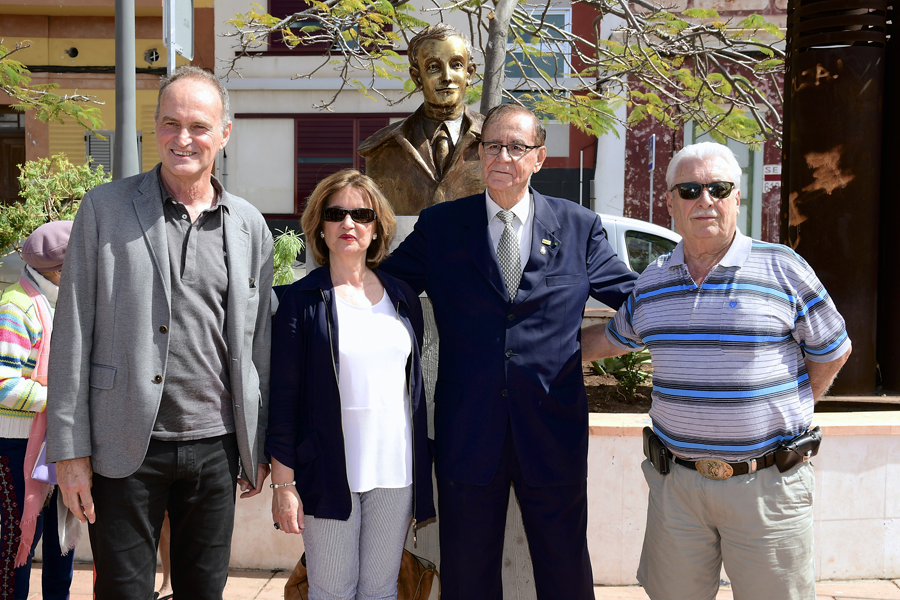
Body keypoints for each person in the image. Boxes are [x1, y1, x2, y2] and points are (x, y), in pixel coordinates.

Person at [379, 103, 637, 600]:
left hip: (553, 428)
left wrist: (601, 343)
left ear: (538, 158)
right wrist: (311, 296)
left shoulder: (579, 226)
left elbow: (636, 300)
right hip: (467, 432)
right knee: (468, 574)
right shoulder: (441, 227)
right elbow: (379, 287)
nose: (503, 156)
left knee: (565, 571)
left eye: (516, 147)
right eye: (492, 145)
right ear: (478, 153)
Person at [585, 141, 852, 600]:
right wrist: (532, 344)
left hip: (767, 487)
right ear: (670, 201)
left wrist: (792, 408)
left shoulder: (783, 268)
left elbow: (832, 351)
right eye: (689, 190)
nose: (704, 200)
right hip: (678, 491)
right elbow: (607, 340)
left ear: (737, 198)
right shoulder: (652, 282)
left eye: (717, 188)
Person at [46, 65, 273, 599]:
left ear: (224, 133)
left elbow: (258, 344)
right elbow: (72, 332)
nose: (183, 138)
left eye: (198, 125)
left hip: (217, 449)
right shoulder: (104, 209)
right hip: (122, 447)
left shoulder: (249, 225)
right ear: (155, 128)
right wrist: (70, 453)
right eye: (170, 123)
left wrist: (256, 445)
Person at [268, 169, 435, 600]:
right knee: (332, 590)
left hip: (395, 472)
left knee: (380, 590)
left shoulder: (402, 298)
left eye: (361, 214)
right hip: (325, 472)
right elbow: (283, 402)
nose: (349, 224)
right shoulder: (299, 302)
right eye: (336, 213)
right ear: (319, 227)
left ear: (376, 226)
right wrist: (284, 486)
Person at [0, 221, 77, 599]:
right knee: (18, 546)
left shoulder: (57, 301)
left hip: (59, 440)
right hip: (17, 445)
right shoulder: (16, 305)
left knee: (62, 544)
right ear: (61, 270)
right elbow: (3, 385)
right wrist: (64, 398)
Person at [358, 23, 485, 215]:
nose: (447, 77)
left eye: (456, 65)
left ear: (469, 74)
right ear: (417, 77)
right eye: (434, 67)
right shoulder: (381, 149)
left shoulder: (496, 141)